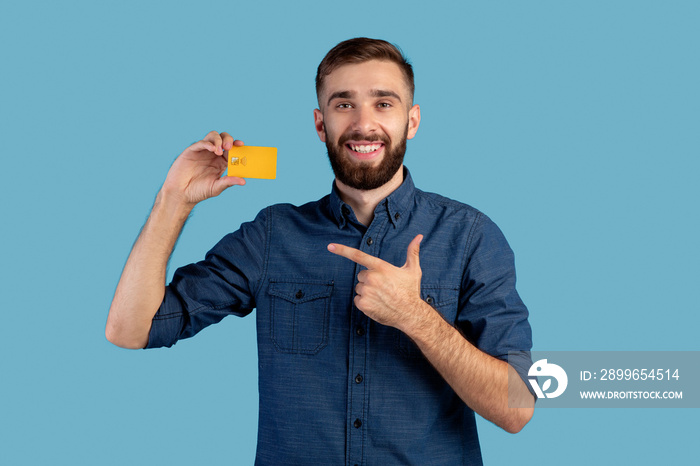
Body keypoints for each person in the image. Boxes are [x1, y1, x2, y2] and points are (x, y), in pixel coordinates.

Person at [106, 37, 535, 465]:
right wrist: (173, 200)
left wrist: (416, 317)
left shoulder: (471, 236)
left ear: (413, 121)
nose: (363, 124)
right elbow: (129, 329)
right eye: (343, 104)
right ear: (320, 123)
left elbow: (517, 408)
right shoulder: (273, 235)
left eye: (384, 104)